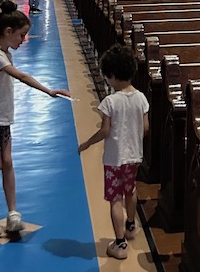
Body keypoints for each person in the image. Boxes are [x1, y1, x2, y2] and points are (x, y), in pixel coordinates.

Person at [0, 0, 69, 238]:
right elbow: (21, 76)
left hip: (2, 119)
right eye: (21, 35)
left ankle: (13, 213)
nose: (24, 40)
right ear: (7, 32)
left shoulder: (4, 52)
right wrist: (49, 90)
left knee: (8, 163)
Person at [78, 44, 150, 261]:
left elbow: (105, 130)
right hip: (134, 155)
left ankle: (120, 244)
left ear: (110, 75)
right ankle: (130, 224)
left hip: (114, 159)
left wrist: (87, 143)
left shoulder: (110, 101)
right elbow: (145, 128)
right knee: (130, 190)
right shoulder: (141, 98)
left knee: (115, 198)